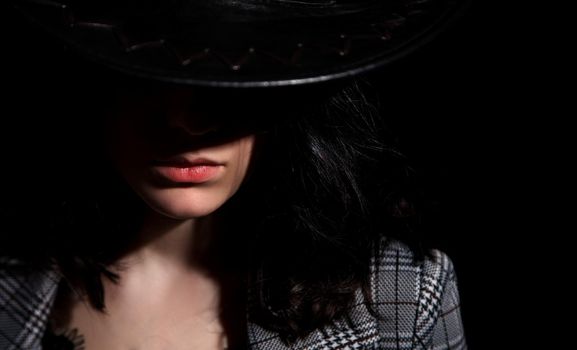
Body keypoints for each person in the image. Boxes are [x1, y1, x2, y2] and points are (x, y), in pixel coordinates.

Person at [1, 0, 470, 349]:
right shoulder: (15, 274)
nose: (190, 120)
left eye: (228, 77)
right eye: (146, 78)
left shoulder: (404, 297)